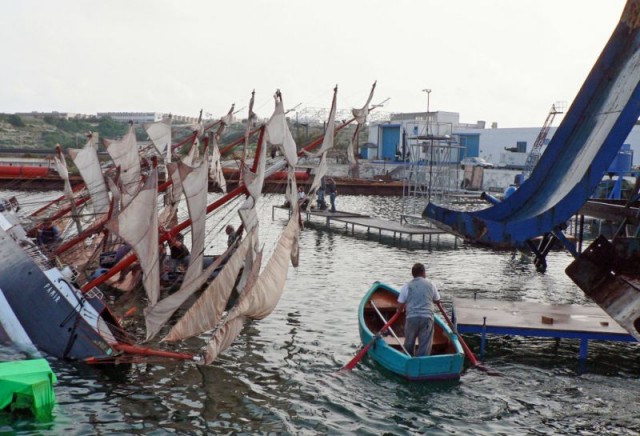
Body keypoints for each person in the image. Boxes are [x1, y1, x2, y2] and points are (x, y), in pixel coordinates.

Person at [397, 262, 441, 357]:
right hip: (427, 318)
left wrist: (399, 311)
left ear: (413, 274)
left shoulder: (407, 286)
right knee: (424, 345)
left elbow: (400, 304)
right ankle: (421, 362)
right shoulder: (431, 284)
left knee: (409, 342)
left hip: (412, 318)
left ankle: (408, 358)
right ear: (423, 273)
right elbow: (438, 300)